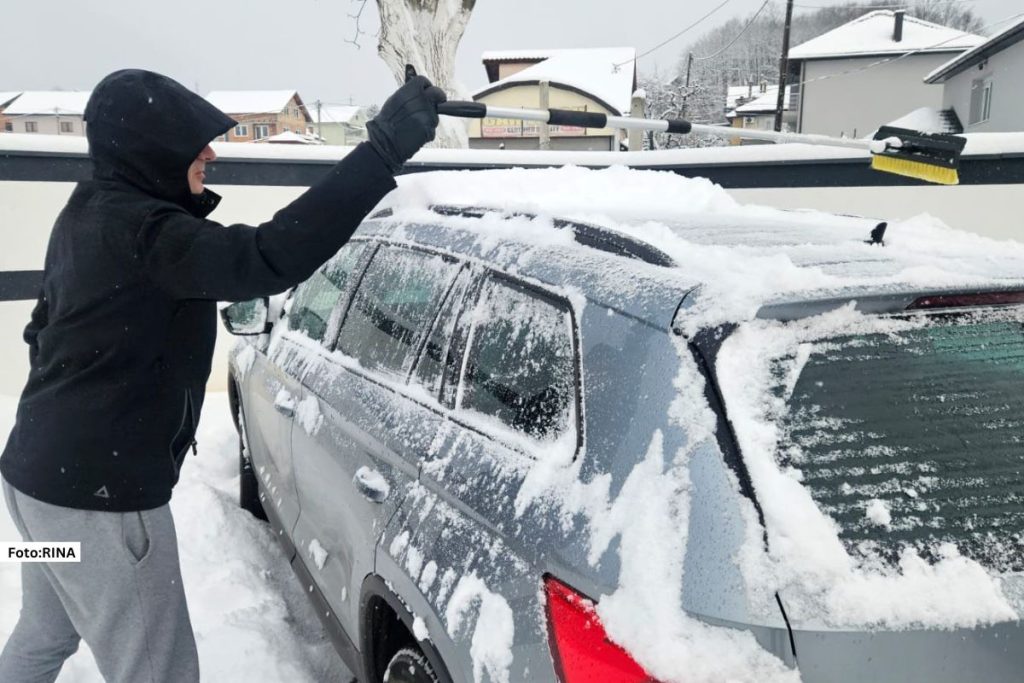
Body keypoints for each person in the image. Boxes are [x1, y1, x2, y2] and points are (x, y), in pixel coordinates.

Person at [0, 68, 445, 682]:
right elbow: (267, 256)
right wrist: (382, 151)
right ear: (153, 151)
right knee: (156, 669)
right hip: (98, 506)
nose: (209, 153)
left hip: (32, 490)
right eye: (193, 143)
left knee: (44, 632)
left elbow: (40, 326)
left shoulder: (84, 212)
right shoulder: (147, 234)